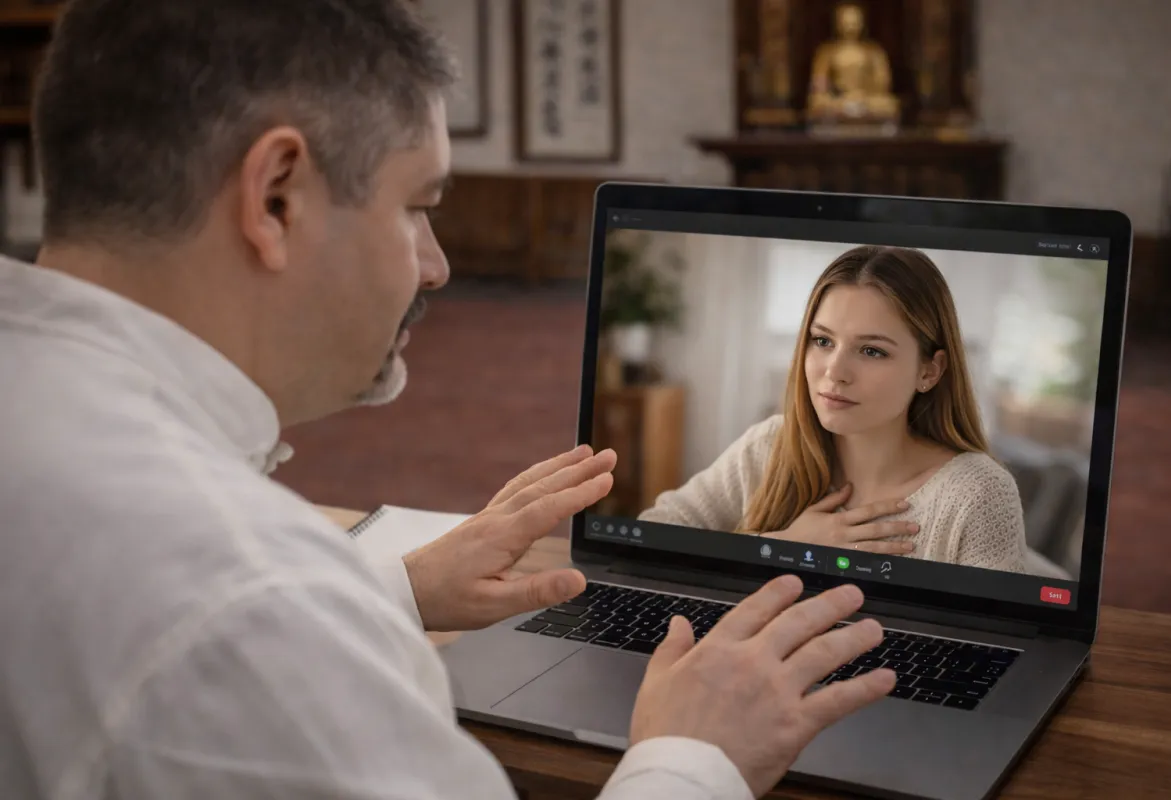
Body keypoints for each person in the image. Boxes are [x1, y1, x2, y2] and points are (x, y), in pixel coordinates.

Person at [0, 2, 897, 799]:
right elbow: (232, 616)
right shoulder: (251, 601)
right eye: (416, 206)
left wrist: (385, 587)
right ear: (275, 197)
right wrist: (699, 759)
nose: (438, 265)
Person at [639, 245, 1031, 574]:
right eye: (822, 341)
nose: (835, 371)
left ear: (929, 371)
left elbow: (995, 644)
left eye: (872, 350)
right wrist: (782, 547)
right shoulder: (769, 446)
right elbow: (648, 538)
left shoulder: (977, 494)